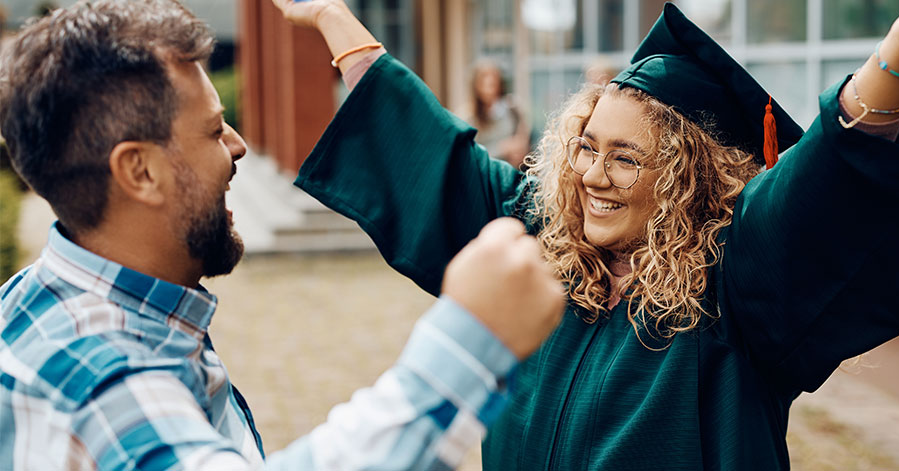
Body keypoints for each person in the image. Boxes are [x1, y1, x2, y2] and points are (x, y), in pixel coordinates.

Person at [274, 0, 899, 469]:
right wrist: (336, 19)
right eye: (586, 146)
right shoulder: (541, 244)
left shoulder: (736, 279)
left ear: (688, 176)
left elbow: (826, 186)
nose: (591, 174)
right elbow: (435, 157)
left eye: (626, 158)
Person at [0, 1, 564, 470]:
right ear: (140, 171)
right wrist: (469, 341)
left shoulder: (32, 301)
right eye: (213, 129)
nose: (238, 146)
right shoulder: (103, 382)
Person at [461, 60, 530, 168]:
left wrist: (519, 150)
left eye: (494, 79)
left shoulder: (512, 109)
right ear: (476, 85)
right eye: (484, 78)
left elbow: (523, 137)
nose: (490, 82)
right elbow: (468, 156)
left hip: (513, 173)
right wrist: (502, 149)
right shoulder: (468, 118)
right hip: (486, 177)